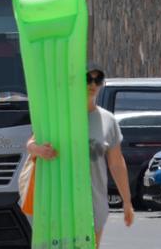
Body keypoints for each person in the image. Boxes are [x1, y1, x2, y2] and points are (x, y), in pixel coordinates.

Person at [26, 65, 134, 247]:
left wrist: (127, 201)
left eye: (98, 80)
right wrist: (39, 150)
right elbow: (30, 144)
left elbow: (116, 163)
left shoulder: (108, 120)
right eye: (87, 79)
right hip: (60, 201)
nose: (93, 84)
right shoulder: (58, 116)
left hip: (94, 201)